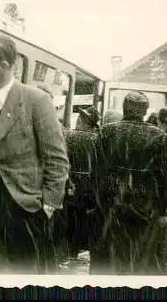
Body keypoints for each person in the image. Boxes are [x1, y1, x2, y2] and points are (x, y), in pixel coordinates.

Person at [0, 34, 69, 274]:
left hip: (26, 210)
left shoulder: (37, 100)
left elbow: (56, 158)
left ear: (3, 67)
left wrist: (49, 205)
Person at [96, 91, 167, 275]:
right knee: (138, 252)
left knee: (108, 253)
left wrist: (95, 199)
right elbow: (163, 176)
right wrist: (163, 206)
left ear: (124, 108)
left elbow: (96, 170)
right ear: (144, 111)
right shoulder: (158, 136)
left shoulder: (106, 131)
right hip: (144, 204)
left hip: (110, 200)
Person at [62, 106, 103, 266]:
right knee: (88, 218)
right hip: (92, 186)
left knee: (71, 217)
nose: (78, 119)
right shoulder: (99, 137)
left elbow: (64, 160)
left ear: (84, 120)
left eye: (80, 117)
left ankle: (71, 250)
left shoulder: (70, 136)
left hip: (72, 183)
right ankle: (84, 249)